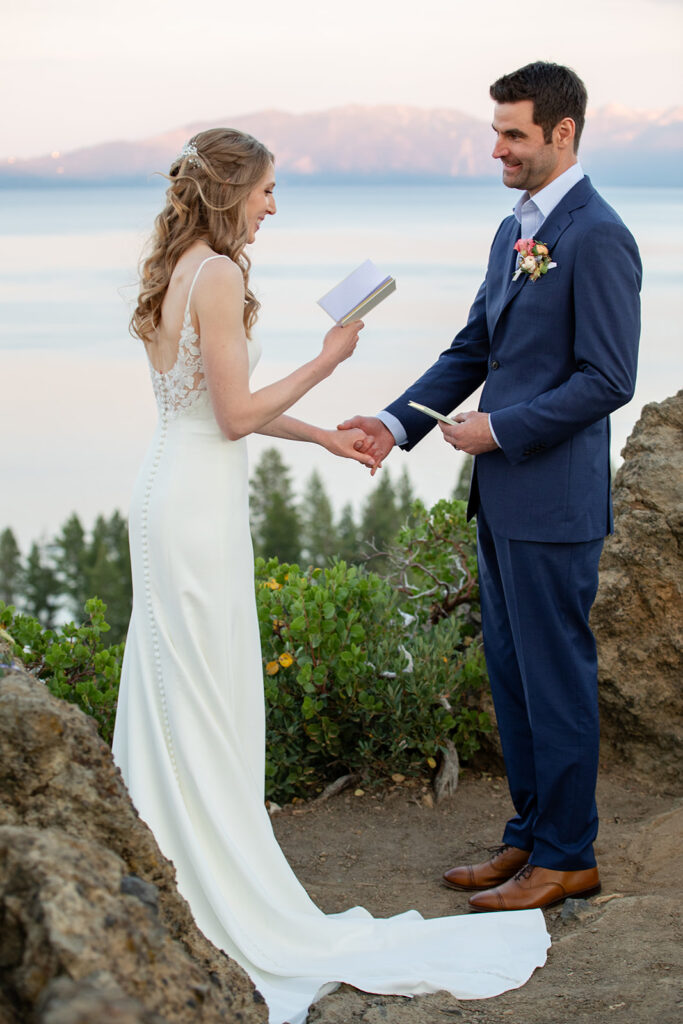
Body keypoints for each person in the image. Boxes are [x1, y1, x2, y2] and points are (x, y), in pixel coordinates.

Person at [112, 127, 550, 1024]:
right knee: (204, 694)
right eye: (269, 190)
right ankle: (216, 887)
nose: (274, 207)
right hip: (194, 508)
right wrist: (328, 358)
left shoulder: (177, 270)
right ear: (233, 189)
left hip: (168, 488)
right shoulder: (223, 276)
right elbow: (233, 415)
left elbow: (204, 410)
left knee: (177, 692)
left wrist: (320, 435)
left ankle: (171, 866)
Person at [341, 62, 641, 913]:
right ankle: (528, 837)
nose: (497, 149)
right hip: (501, 499)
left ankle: (568, 856)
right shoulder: (516, 228)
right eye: (495, 133)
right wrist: (395, 424)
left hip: (553, 500)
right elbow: (474, 347)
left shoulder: (597, 234)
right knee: (511, 677)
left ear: (562, 134)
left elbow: (607, 378)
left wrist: (498, 430)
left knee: (555, 678)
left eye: (512, 134)